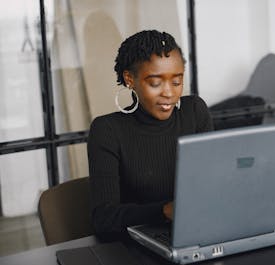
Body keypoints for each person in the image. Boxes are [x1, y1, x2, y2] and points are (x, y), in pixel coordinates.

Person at [88, 30, 213, 238]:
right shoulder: (107, 131)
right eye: (155, 83)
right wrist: (164, 211)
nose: (169, 93)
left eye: (176, 81)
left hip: (197, 234)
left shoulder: (195, 112)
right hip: (137, 246)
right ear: (129, 79)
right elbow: (103, 218)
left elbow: (212, 181)